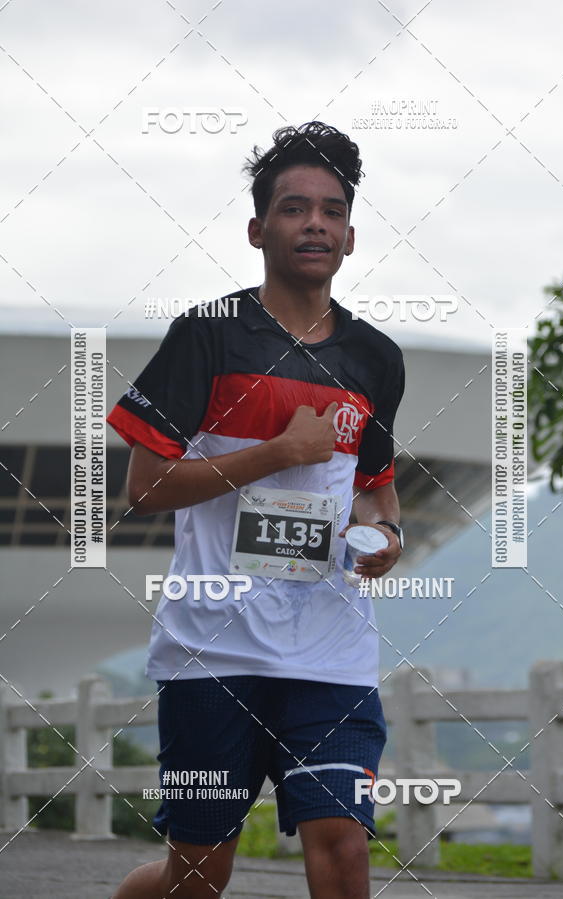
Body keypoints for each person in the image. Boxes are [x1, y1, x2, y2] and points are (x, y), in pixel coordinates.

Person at [108, 121, 405, 899]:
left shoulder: (376, 358)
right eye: (294, 208)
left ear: (349, 237)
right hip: (212, 651)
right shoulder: (205, 337)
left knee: (343, 846)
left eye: (333, 211)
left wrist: (389, 533)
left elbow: (376, 485)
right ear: (257, 229)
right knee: (197, 875)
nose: (316, 224)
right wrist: (276, 452)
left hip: (330, 654)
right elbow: (145, 487)